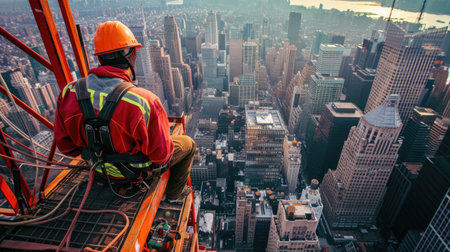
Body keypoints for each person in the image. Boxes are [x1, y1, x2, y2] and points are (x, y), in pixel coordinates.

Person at [54, 21, 195, 201]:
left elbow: (66, 147)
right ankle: (174, 195)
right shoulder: (145, 101)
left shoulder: (69, 92)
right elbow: (162, 156)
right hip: (134, 173)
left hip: (98, 168)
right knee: (188, 144)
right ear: (132, 56)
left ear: (99, 58)